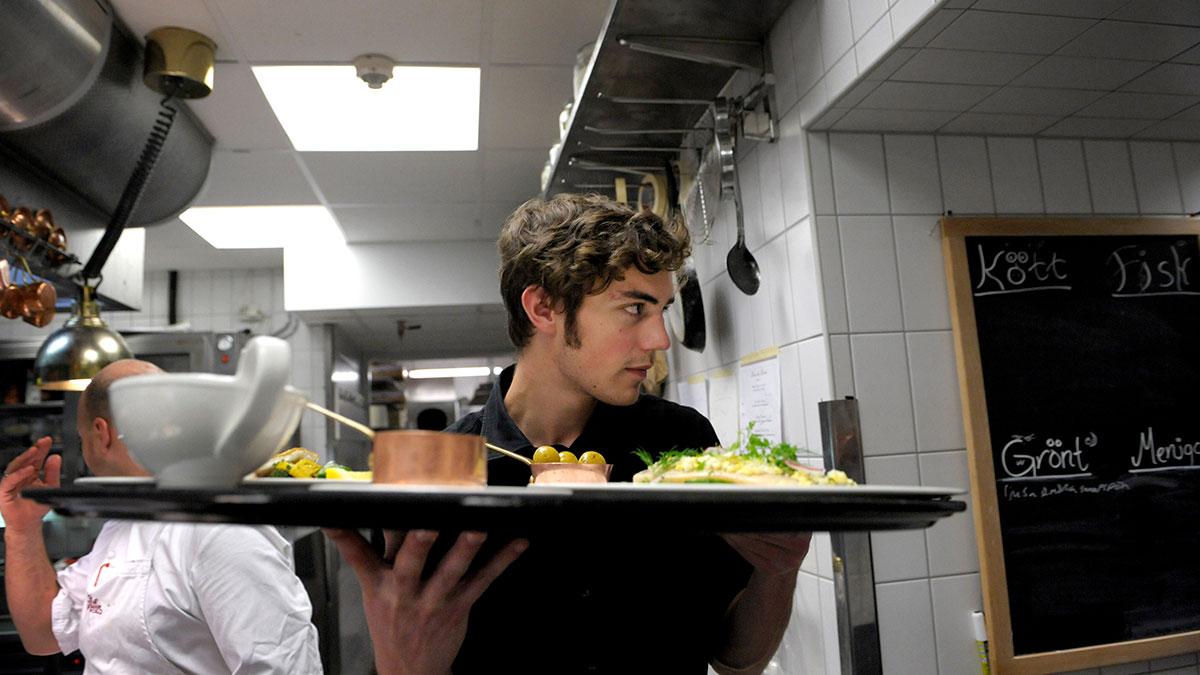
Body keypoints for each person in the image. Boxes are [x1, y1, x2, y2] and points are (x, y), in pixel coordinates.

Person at [327, 193, 810, 674]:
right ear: (544, 308)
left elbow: (736, 659)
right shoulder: (427, 470)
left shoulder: (679, 441)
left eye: (661, 310)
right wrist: (404, 668)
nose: (660, 339)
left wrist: (779, 570)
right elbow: (404, 647)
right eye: (634, 309)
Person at [0, 359, 323, 674]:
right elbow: (43, 633)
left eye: (82, 439)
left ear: (101, 433)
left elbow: (287, 667)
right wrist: (22, 529)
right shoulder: (123, 523)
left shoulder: (220, 531)